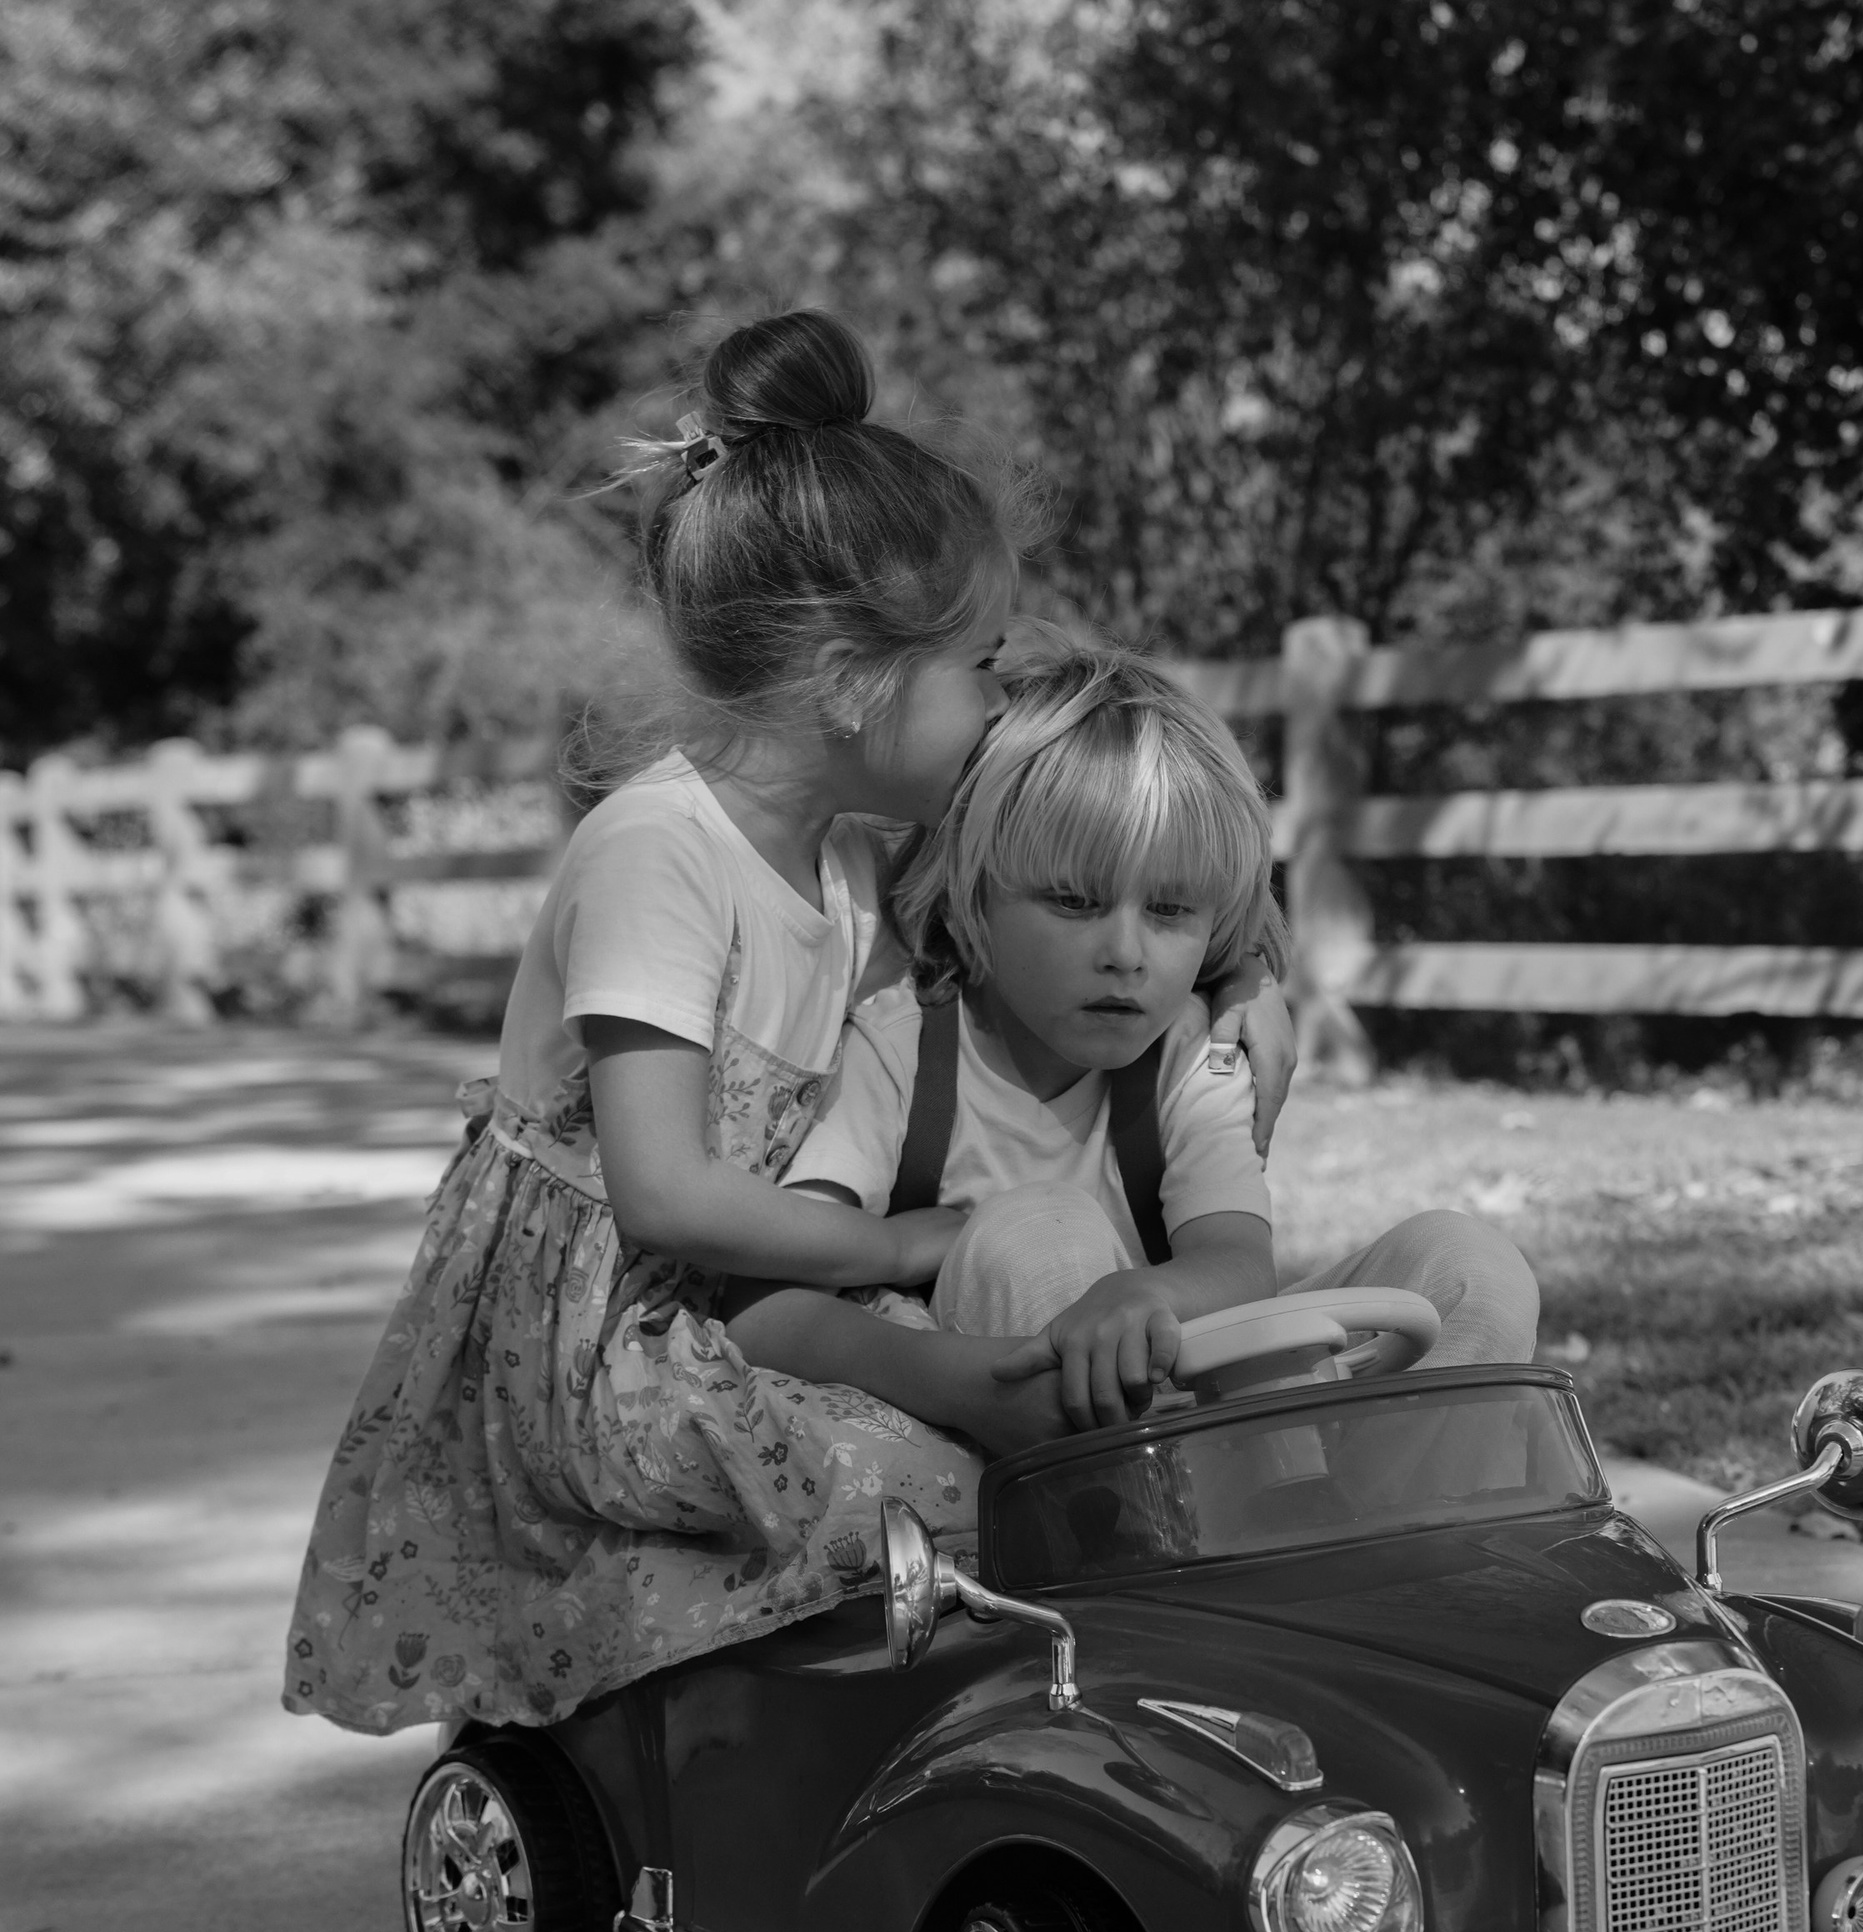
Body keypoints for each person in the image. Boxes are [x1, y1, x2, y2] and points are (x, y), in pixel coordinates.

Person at [282, 313, 1290, 1738]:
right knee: (944, 1485)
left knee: (1033, 1443)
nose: (999, 701)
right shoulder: (659, 853)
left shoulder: (848, 858)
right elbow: (666, 1193)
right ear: (852, 685)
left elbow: (1090, 879)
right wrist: (897, 1248)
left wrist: (1250, 975)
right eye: (979, 667)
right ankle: (860, 1755)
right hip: (608, 1338)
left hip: (749, 1296)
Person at [724, 637, 1540, 1430]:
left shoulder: (1192, 1053)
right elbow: (764, 1309)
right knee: (1042, 1228)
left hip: (1189, 1399)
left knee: (1470, 1266)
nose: (1124, 954)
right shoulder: (901, 1051)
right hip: (1010, 1424)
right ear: (975, 903)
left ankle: (1382, 1529)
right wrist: (934, 1373)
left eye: (1169, 911)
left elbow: (1236, 1265)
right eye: (1074, 903)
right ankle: (1138, 1540)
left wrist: (1144, 1298)